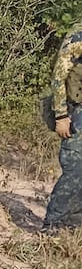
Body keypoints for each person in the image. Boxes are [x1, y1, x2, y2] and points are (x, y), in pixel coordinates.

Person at [42, 19, 82, 231]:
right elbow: (59, 75)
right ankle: (53, 225)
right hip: (76, 112)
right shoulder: (79, 35)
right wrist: (61, 116)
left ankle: (74, 227)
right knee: (76, 169)